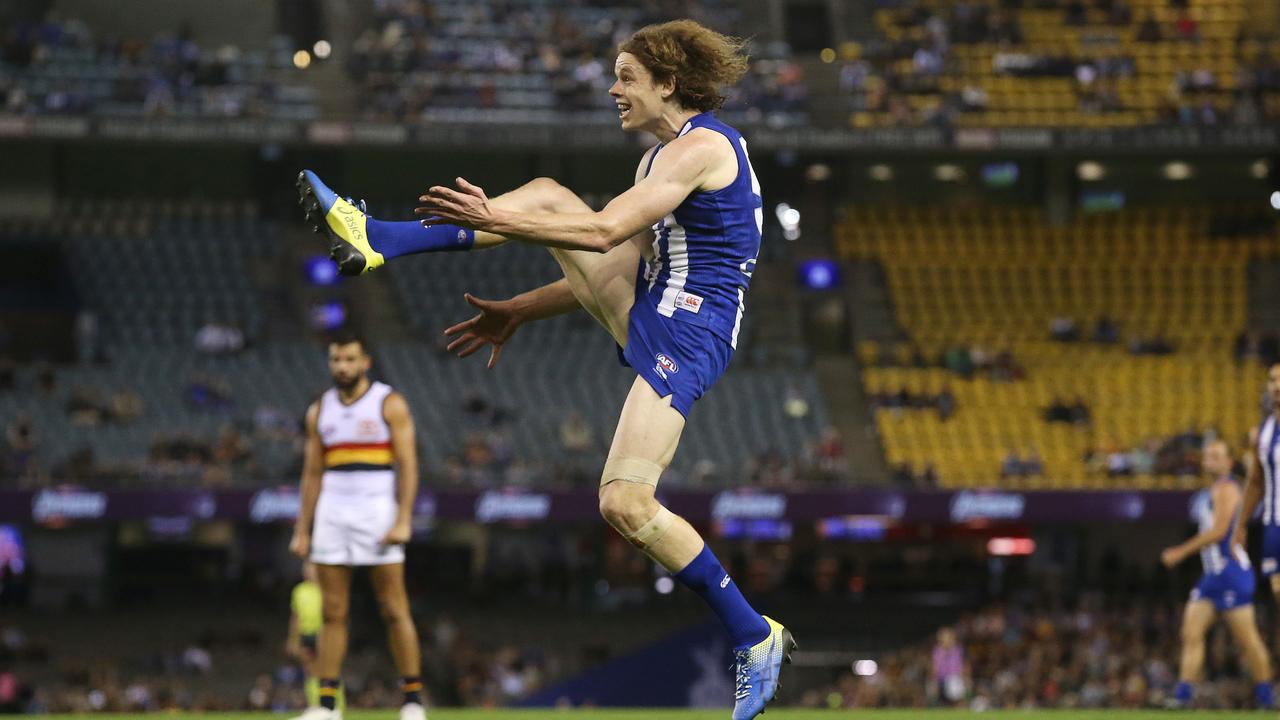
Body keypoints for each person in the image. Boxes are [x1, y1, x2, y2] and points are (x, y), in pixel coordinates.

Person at [296, 19, 793, 719]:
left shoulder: (703, 148)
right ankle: (378, 240)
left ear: (668, 84)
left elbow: (601, 233)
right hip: (661, 306)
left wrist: (497, 218)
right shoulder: (660, 161)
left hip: (694, 327)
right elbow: (617, 261)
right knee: (551, 195)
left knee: (624, 502)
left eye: (626, 77)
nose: (613, 89)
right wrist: (522, 308)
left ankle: (753, 634)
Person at [289, 335, 425, 720]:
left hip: (377, 512)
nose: (341, 366)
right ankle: (327, 706)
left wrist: (403, 519)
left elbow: (409, 464)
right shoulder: (320, 410)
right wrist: (303, 529)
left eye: (349, 358)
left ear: (365, 361)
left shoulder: (389, 402)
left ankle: (413, 702)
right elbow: (312, 473)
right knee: (333, 612)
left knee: (394, 608)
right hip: (333, 513)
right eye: (335, 359)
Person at [1161, 440, 1272, 709]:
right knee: (1191, 633)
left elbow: (1220, 530)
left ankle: (1267, 697)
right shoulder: (1212, 489)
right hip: (1213, 574)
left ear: (1228, 462)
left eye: (1216, 455)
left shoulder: (1227, 488)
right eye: (1207, 455)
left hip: (1232, 572)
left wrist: (1180, 551)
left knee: (1247, 640)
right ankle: (1183, 696)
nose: (1209, 459)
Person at [286, 561, 334, 711]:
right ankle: (314, 704)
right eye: (306, 569)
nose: (308, 571)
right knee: (309, 672)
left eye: (311, 568)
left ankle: (335, 704)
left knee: (328, 671)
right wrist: (292, 639)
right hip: (306, 634)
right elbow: (295, 617)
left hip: (324, 634)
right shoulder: (299, 591)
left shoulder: (327, 588)